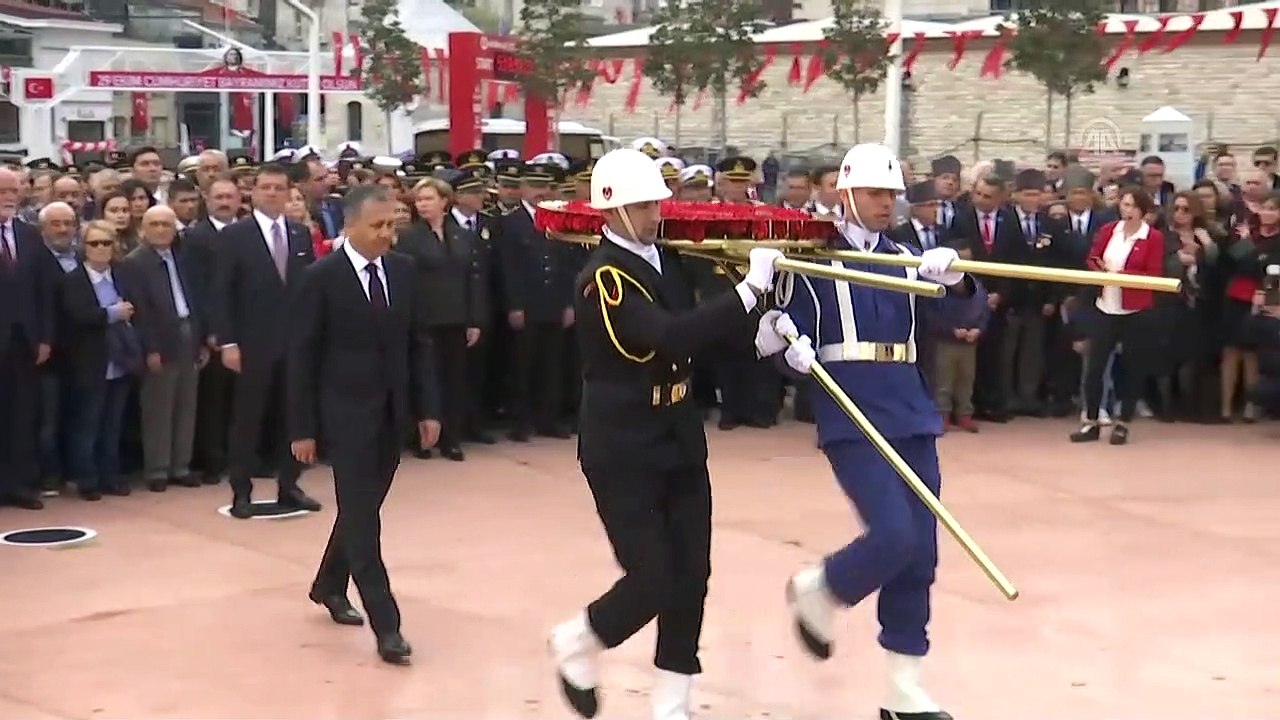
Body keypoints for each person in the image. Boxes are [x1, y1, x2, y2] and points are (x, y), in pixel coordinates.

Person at [546, 148, 783, 720]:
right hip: (623, 442)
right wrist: (747, 292)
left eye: (656, 200)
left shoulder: (664, 259)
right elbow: (665, 338)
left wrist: (761, 337)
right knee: (653, 577)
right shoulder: (603, 276)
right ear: (612, 209)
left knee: (693, 575)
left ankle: (673, 701)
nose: (655, 211)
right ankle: (579, 641)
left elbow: (703, 331)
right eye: (643, 203)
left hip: (676, 431)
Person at [755, 143, 985, 720]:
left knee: (921, 556)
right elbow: (775, 335)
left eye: (892, 195)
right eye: (877, 194)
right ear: (848, 194)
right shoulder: (810, 258)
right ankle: (823, 587)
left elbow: (963, 319)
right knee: (892, 536)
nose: (887, 204)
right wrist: (788, 347)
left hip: (908, 407)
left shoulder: (907, 256)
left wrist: (954, 282)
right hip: (851, 409)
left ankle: (903, 689)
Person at [288, 184, 442, 665]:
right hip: (344, 414)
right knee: (363, 519)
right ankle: (387, 625)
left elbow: (419, 345)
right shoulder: (322, 278)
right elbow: (303, 357)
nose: (386, 236)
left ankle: (328, 585)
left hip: (392, 412)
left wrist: (428, 409)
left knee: (361, 508)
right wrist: (302, 428)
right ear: (350, 225)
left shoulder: (404, 271)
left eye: (392, 225)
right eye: (377, 226)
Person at [213, 163, 321, 518]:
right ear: (253, 192)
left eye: (279, 188)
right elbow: (222, 293)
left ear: (290, 192)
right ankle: (241, 490)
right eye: (265, 188)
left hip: (295, 343)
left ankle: (289, 484)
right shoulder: (234, 236)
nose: (272, 193)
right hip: (251, 343)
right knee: (248, 419)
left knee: (292, 417)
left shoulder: (300, 234)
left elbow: (308, 291)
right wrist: (228, 342)